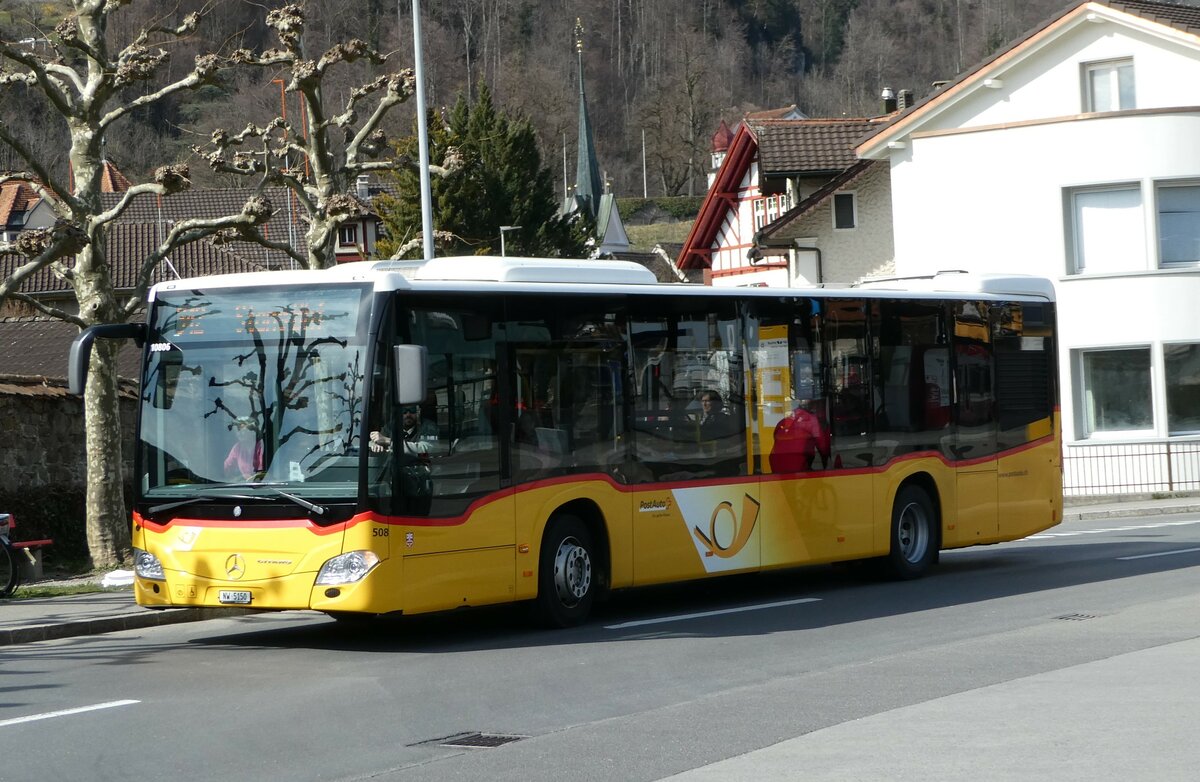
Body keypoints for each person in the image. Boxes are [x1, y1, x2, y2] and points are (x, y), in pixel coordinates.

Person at [769, 397, 831, 473]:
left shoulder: (785, 420)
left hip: (775, 464)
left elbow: (776, 437)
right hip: (797, 465)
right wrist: (826, 466)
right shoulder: (811, 419)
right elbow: (823, 447)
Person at [370, 404, 438, 454]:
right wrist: (376, 444)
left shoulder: (428, 426)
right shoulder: (390, 426)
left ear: (419, 412)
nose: (408, 415)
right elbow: (371, 442)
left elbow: (425, 449)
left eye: (412, 410)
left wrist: (389, 441)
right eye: (404, 411)